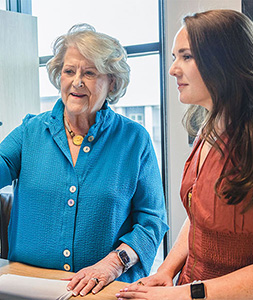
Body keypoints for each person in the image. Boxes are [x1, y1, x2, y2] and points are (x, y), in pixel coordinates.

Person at [116, 9, 253, 300]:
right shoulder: (208, 131)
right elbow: (201, 216)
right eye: (175, 57)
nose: (173, 69)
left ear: (225, 61)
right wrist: (166, 270)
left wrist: (187, 293)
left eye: (186, 56)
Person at [0, 24, 168, 297]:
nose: (77, 81)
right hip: (26, 286)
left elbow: (152, 222)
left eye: (89, 73)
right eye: (69, 71)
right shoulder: (30, 132)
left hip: (106, 290)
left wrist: (113, 264)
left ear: (111, 82)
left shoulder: (134, 139)